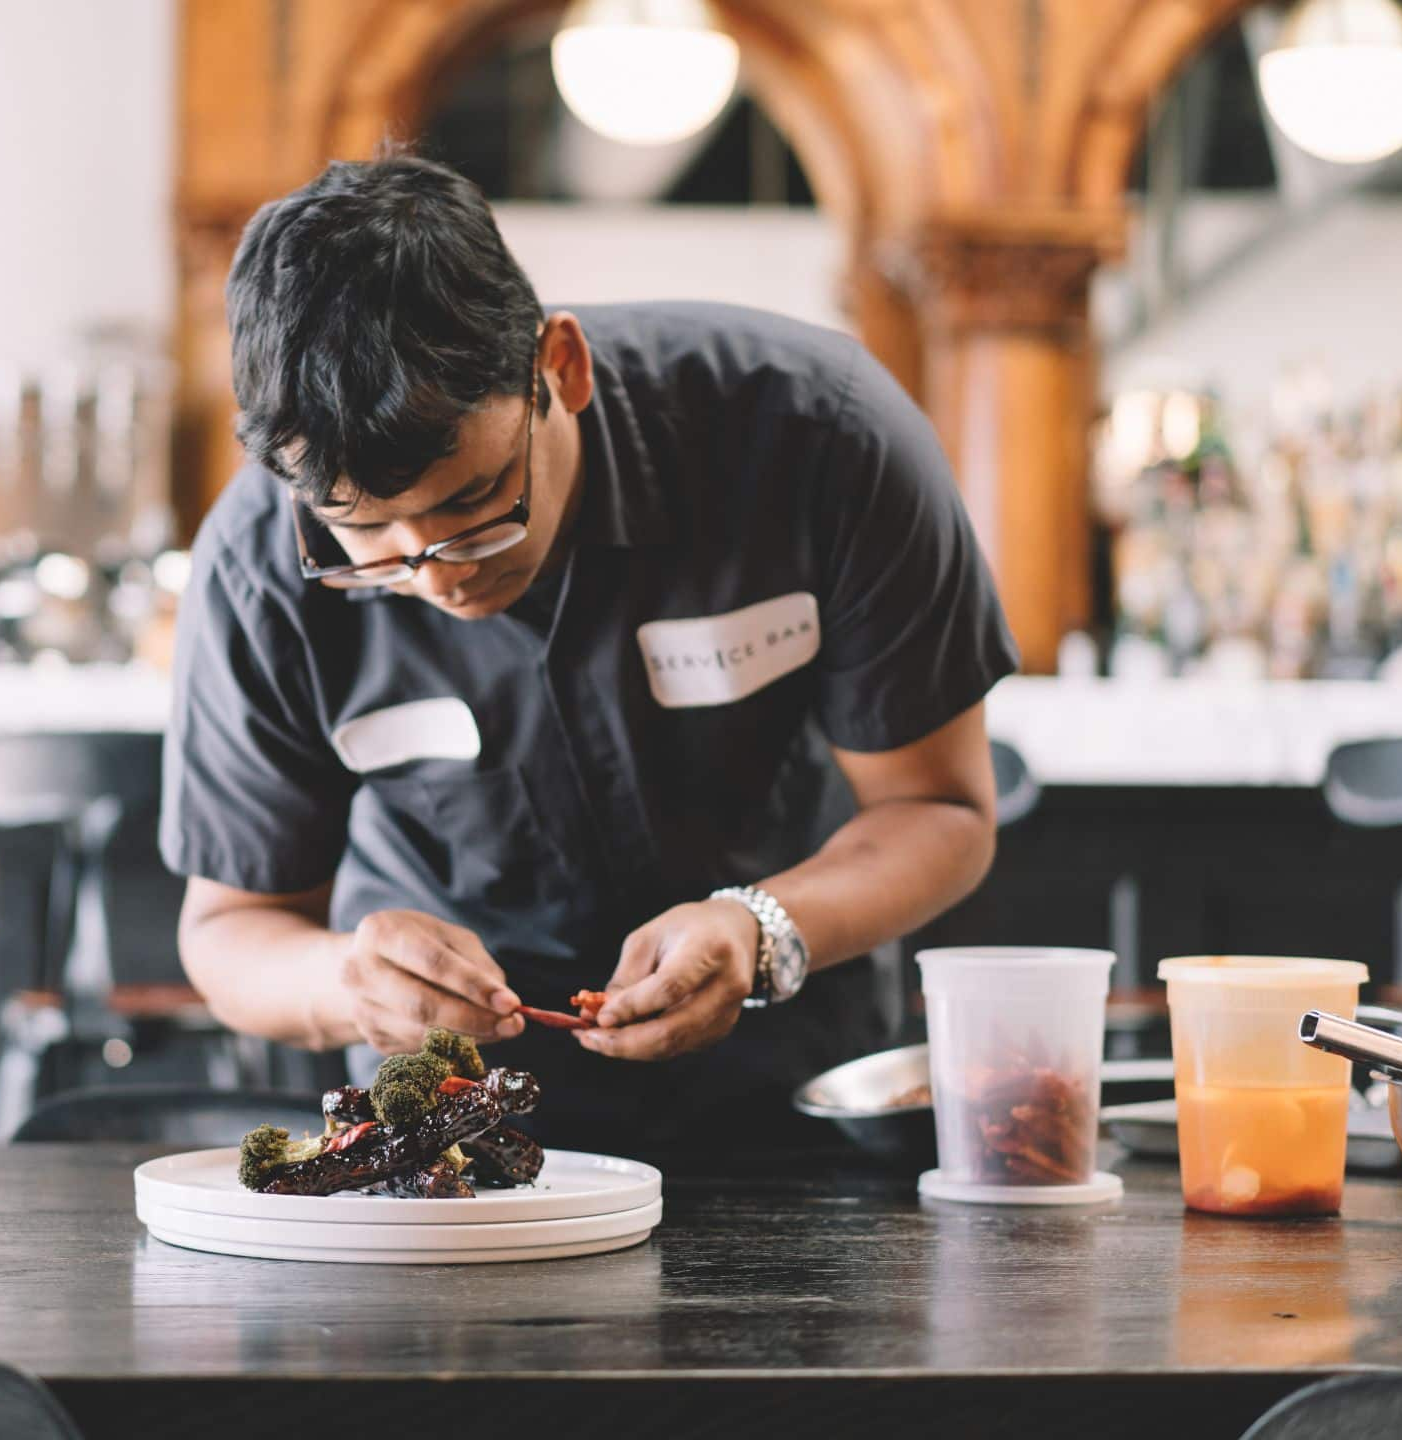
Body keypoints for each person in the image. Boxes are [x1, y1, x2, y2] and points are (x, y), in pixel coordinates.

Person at [158, 153, 1016, 1151]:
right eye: (365, 538)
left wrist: (760, 926)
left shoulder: (822, 438)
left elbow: (941, 810)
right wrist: (343, 981)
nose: (434, 574)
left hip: (794, 1090)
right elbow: (229, 930)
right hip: (451, 1131)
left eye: (474, 505)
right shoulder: (258, 563)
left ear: (557, 367)